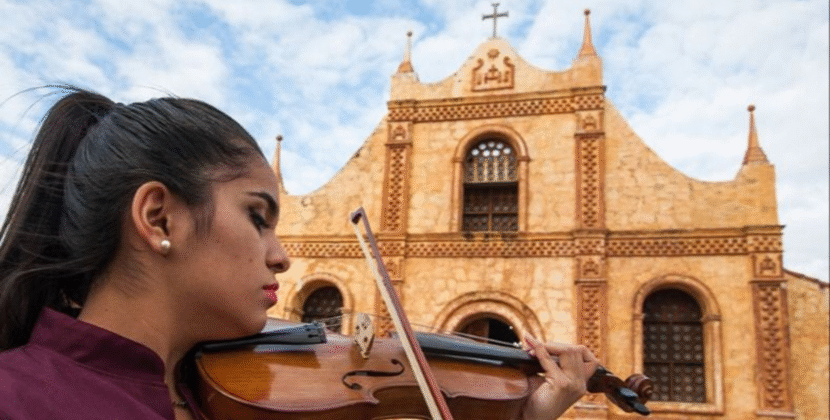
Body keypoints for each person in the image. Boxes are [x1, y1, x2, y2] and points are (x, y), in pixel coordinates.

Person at [0, 88, 598, 420]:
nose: (283, 257)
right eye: (257, 217)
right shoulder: (22, 399)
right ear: (160, 218)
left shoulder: (215, 396)